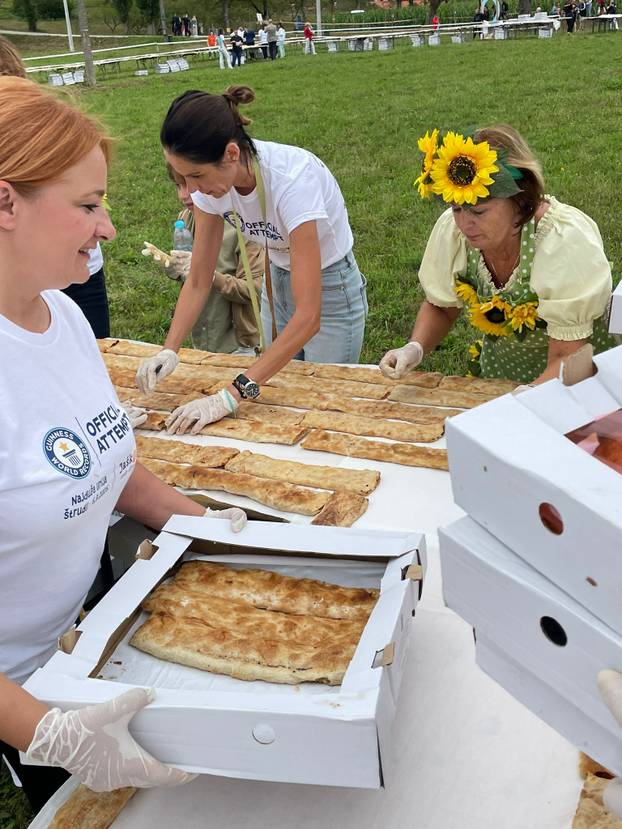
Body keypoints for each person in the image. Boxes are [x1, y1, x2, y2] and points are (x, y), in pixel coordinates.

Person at [0, 76, 248, 813]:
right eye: (86, 205)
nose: (107, 228)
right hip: (26, 690)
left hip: (100, 627)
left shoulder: (64, 320)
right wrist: (51, 732)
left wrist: (210, 529)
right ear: (5, 201)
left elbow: (115, 471)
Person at [136, 86, 368, 435]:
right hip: (276, 278)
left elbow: (309, 317)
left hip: (330, 285)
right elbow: (198, 280)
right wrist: (169, 350)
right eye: (181, 176)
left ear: (231, 153)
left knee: (321, 404)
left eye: (196, 176)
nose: (191, 190)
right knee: (278, 396)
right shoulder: (210, 187)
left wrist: (229, 397)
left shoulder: (293, 181)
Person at [379, 125, 616, 385]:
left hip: (574, 379)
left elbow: (567, 357)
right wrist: (415, 347)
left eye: (479, 212)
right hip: (501, 375)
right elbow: (441, 307)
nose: (465, 224)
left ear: (520, 200)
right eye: (457, 209)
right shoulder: (454, 232)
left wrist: (517, 406)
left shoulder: (563, 240)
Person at [148, 163, 264, 354]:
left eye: (187, 184)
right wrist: (175, 268)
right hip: (202, 338)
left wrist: (208, 275)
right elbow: (191, 278)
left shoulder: (243, 228)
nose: (183, 195)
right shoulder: (185, 219)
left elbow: (255, 291)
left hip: (238, 345)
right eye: (178, 186)